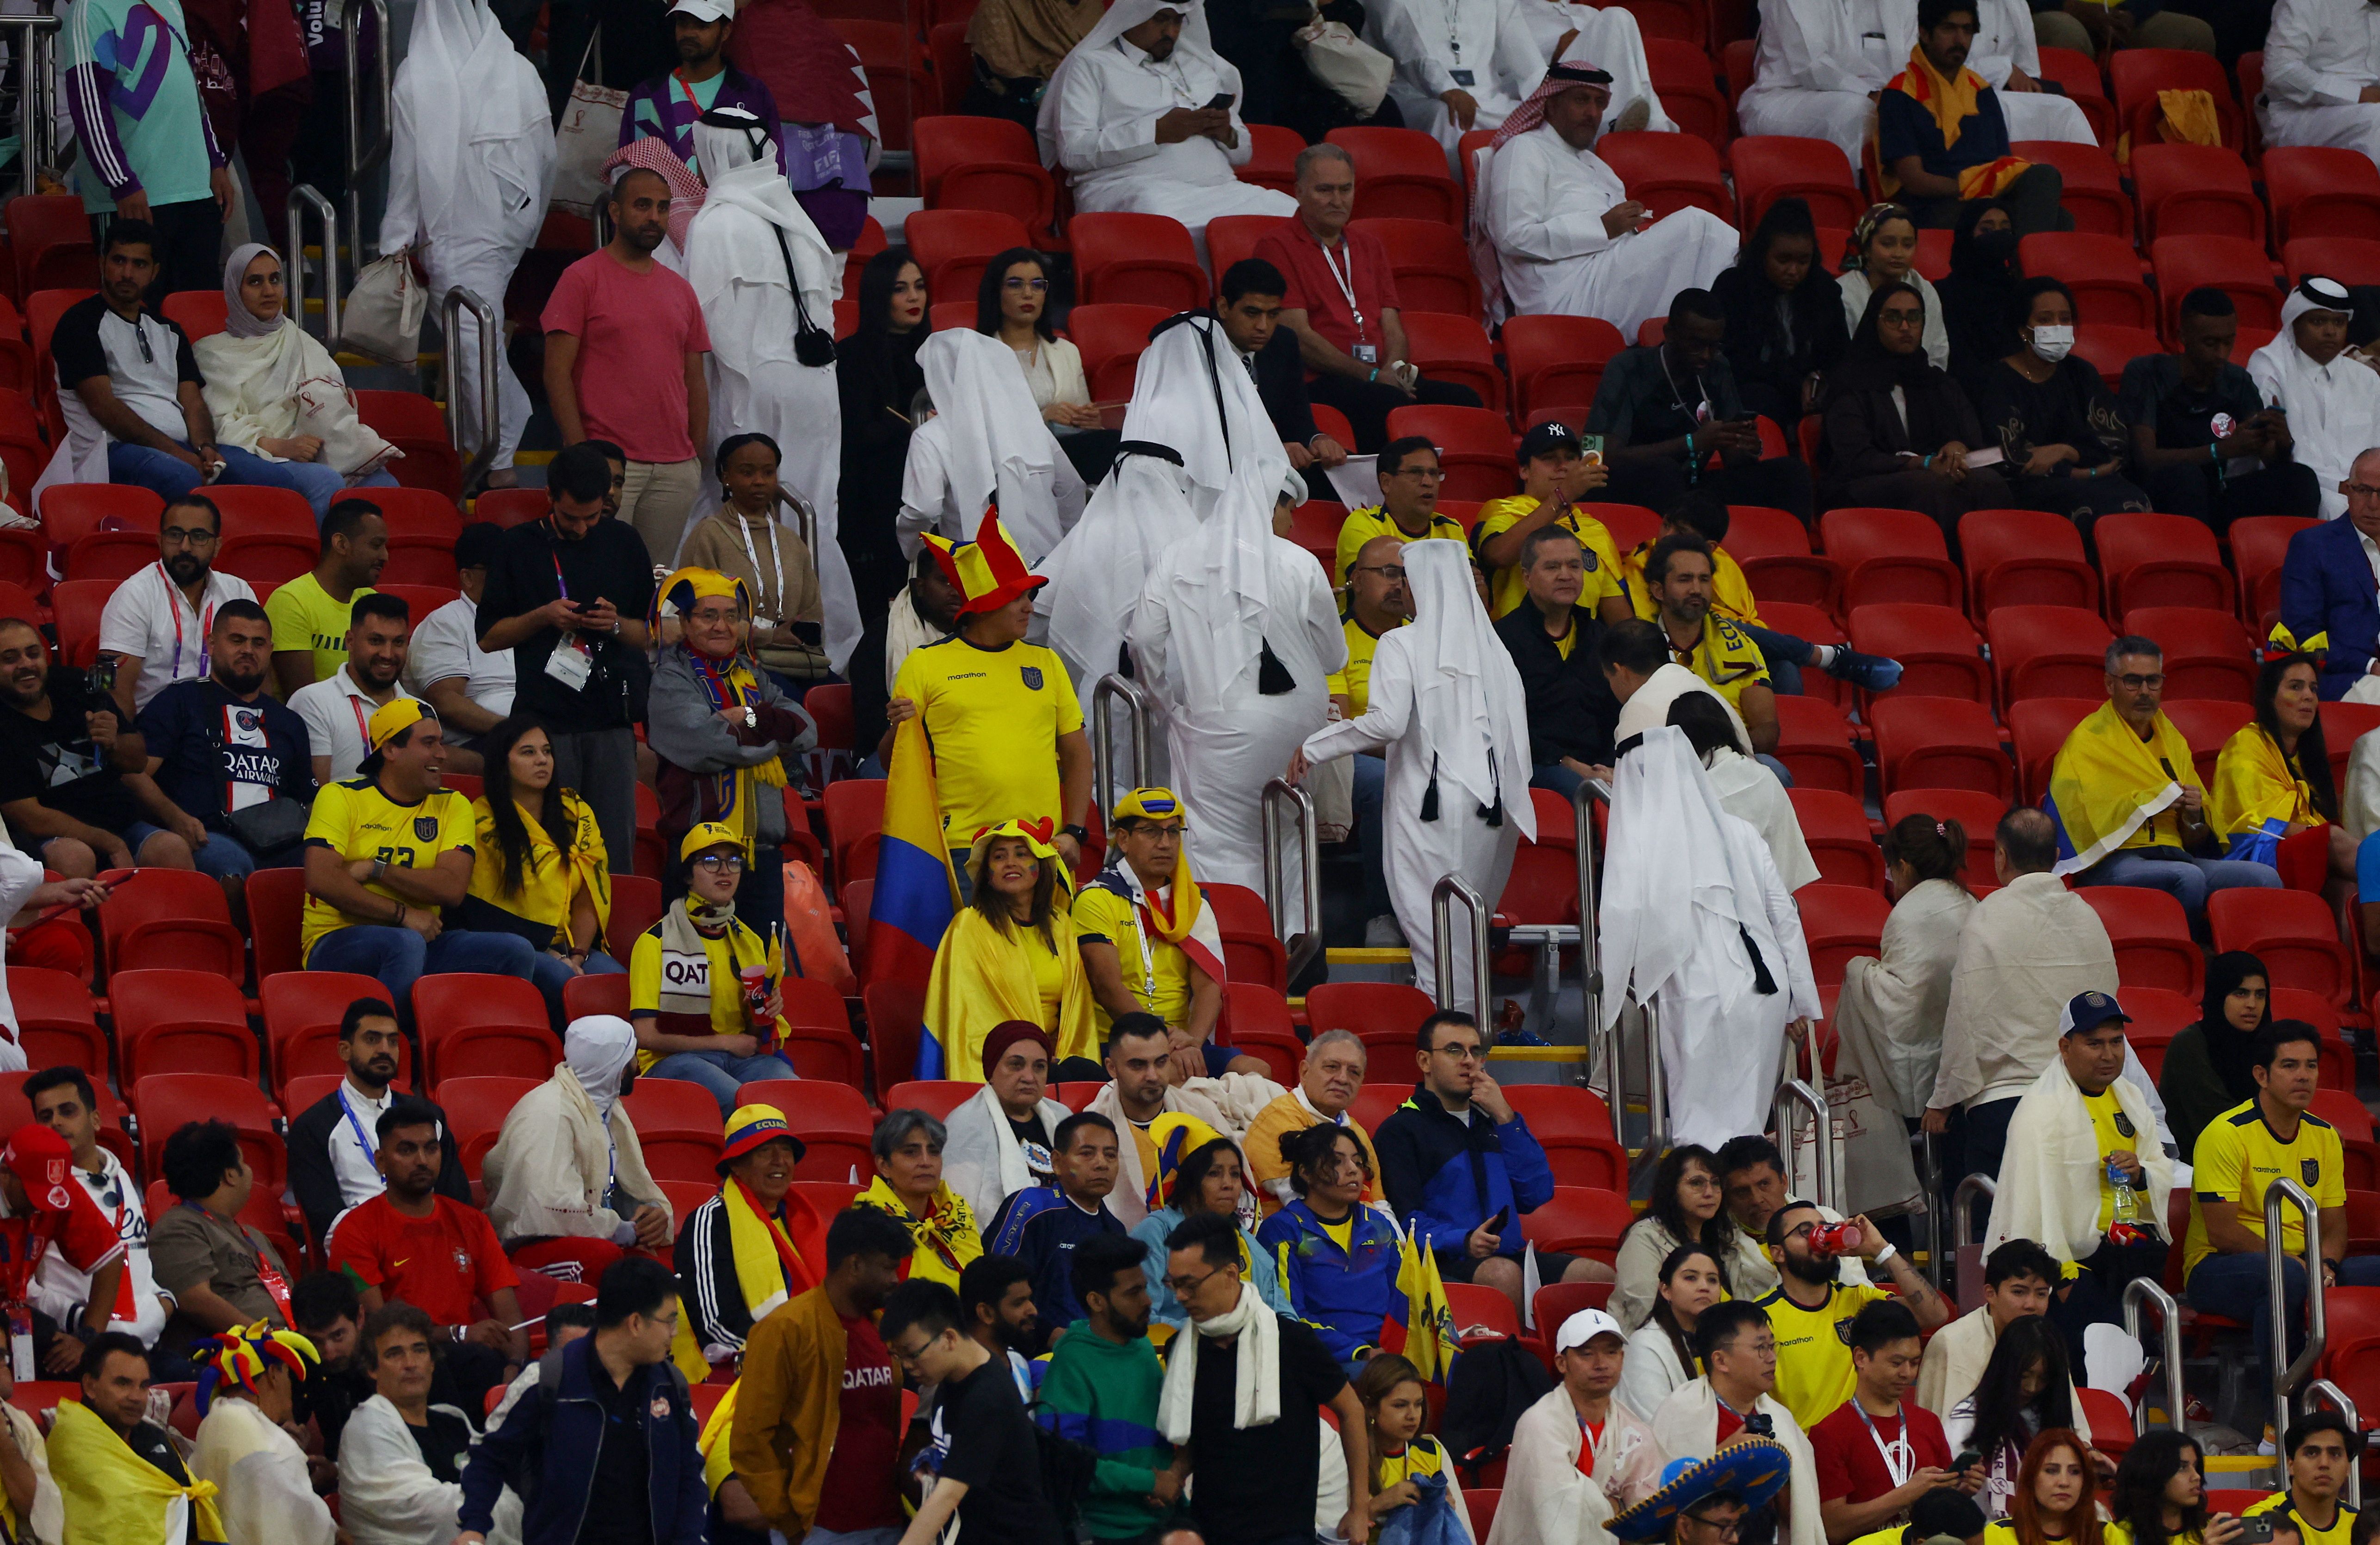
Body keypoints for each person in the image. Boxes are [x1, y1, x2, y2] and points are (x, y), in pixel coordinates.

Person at [1290, 541, 1528, 1008]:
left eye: (1407, 578)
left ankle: (1450, 1046)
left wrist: (1315, 746)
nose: (1402, 587)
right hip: (1491, 806)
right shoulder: (1493, 648)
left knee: (1431, 933)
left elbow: (1387, 723)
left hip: (1430, 804)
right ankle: (1464, 1041)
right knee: (1463, 934)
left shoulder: (1401, 641)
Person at [1134, 435, 1342, 924]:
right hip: (1298, 732)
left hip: (1217, 726)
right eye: (1290, 511)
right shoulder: (1300, 561)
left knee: (1216, 838)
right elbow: (1335, 656)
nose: (1292, 524)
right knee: (1286, 835)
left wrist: (1165, 703)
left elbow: (1143, 639)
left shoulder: (1178, 556)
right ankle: (1290, 950)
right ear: (1275, 507)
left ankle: (1230, 944)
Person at [1600, 724, 1820, 1152]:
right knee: (1748, 1126)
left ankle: (1705, 1215)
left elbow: (1623, 917)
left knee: (1697, 1127)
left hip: (1696, 986)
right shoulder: (1740, 829)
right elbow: (1785, 917)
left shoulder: (1642, 840)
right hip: (1766, 988)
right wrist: (1801, 999)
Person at [1926, 808, 2155, 1187]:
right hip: (2084, 1101)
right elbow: (2107, 1006)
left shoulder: (1987, 918)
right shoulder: (2087, 917)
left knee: (2005, 1235)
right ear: (2055, 856)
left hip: (2007, 1105)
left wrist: (1943, 1099)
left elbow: (1964, 1018)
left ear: (2001, 856)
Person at [380, 0, 550, 486]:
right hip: (494, 231)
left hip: (458, 235)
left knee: (474, 341)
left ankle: (497, 462)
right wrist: (525, 224)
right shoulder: (517, 70)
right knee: (475, 341)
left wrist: (395, 238)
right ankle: (494, 436)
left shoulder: (419, 74)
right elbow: (546, 159)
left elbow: (407, 168)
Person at [476, 441, 658, 875]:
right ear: (549, 498)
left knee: (614, 851)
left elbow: (653, 633)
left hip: (611, 718)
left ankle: (607, 939)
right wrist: (543, 616)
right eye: (570, 517)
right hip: (546, 721)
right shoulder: (518, 546)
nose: (580, 528)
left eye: (592, 517)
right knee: (549, 849)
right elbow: (488, 637)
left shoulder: (624, 541)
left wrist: (613, 624)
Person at [2184, 1021, 2380, 1403]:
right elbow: (2223, 1233)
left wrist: (2326, 1266)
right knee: (2285, 1277)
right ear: (2262, 1075)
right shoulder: (2225, 1134)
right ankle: (2283, 1417)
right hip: (2218, 1267)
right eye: (2290, 1066)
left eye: (2311, 1066)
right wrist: (2296, 1265)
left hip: (2303, 1264)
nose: (2304, 1076)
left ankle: (2365, 1401)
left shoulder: (2324, 1135)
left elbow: (2335, 1228)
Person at [298, 698, 540, 1004]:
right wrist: (403, 914)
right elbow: (321, 880)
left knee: (515, 951)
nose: (442, 754)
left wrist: (377, 869)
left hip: (421, 940)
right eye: (429, 743)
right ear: (390, 750)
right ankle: (394, 1043)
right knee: (405, 943)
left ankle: (493, 1044)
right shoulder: (341, 797)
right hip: (336, 941)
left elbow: (452, 889)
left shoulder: (453, 804)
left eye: (441, 742)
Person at [892, 513, 1092, 875]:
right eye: (1017, 598)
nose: (1029, 607)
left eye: (1029, 596)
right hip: (964, 850)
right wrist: (898, 727)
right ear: (982, 604)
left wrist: (1075, 832)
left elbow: (1077, 754)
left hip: (1041, 847)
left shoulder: (1046, 663)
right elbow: (895, 760)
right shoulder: (924, 664)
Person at [454, 1257, 707, 1545]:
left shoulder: (670, 1386)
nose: (674, 1332)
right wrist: (474, 1527)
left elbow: (691, 1474)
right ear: (636, 1323)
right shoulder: (547, 1379)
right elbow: (487, 1456)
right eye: (670, 1321)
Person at [1474, 62, 1739, 334]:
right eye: (1581, 100)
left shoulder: (1595, 164)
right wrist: (1602, 228)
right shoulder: (1524, 149)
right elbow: (1512, 235)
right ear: (1551, 103)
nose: (1593, 113)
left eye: (1600, 103)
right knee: (1698, 228)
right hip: (1564, 297)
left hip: (1606, 276)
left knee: (1698, 257)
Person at [1255, 144, 1488, 453]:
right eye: (1325, 190)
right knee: (1386, 401)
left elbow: (1392, 324)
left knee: (1465, 400)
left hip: (1376, 377)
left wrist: (1394, 372)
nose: (1337, 200)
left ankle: (1459, 494)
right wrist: (1375, 377)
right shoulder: (1277, 246)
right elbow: (1298, 338)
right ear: (1298, 192)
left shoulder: (1369, 245)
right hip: (1317, 382)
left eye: (1345, 189)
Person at [1160, 1209, 1372, 1545]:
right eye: (1173, 1284)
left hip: (1284, 1532)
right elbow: (1194, 1439)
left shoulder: (1291, 1342)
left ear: (1231, 1274)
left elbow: (1352, 1411)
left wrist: (1360, 1507)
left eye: (1190, 1285)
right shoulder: (1182, 1349)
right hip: (1211, 1528)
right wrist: (1175, 1473)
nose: (1180, 1297)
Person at [1373, 1009, 1603, 1308]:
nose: (1468, 1060)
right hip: (1442, 1260)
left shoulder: (1495, 1121)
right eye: (1455, 1050)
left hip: (1509, 1255)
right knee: (1502, 1275)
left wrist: (1506, 1117)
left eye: (1476, 1052)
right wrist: (1464, 1240)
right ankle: (1517, 1356)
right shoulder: (1401, 1129)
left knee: (1596, 1275)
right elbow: (1405, 1222)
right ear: (1425, 1062)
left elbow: (1536, 1194)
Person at [543, 169, 712, 563]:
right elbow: (556, 372)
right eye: (643, 205)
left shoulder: (680, 289)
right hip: (608, 464)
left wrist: (693, 457)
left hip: (675, 469)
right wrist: (581, 454)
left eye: (663, 207)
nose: (654, 216)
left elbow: (695, 381)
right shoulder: (581, 278)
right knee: (596, 577)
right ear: (615, 212)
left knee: (652, 590)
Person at [1037, 1, 1298, 254]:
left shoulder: (1201, 66)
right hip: (1131, 190)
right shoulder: (1091, 65)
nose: (1171, 32)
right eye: (1161, 19)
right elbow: (1074, 152)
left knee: (1292, 213)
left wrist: (1227, 134)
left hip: (1221, 190)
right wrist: (1156, 132)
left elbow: (1244, 154)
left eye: (1177, 21)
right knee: (1162, 219)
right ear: (1134, 15)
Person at [2053, 636, 2284, 916]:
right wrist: (2151, 801)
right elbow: (2079, 821)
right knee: (2187, 878)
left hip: (2176, 854)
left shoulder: (2172, 738)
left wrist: (2193, 816)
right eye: (2133, 681)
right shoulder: (2087, 741)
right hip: (2115, 862)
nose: (2145, 692)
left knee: (2264, 878)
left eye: (2154, 681)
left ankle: (2237, 959)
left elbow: (2196, 840)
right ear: (2110, 684)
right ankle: (2194, 956)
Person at [729, 1203, 914, 1543]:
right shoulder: (785, 1329)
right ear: (855, 1264)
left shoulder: (883, 1330)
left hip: (886, 1521)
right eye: (889, 1269)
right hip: (819, 1529)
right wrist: (789, 1524)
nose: (895, 1280)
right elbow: (750, 1440)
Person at [326, 1100, 525, 1410]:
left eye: (431, 1149)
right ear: (380, 1161)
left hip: (473, 1365)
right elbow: (380, 1330)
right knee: (470, 1362)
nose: (422, 1160)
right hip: (403, 1366)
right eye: (406, 1150)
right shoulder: (355, 1231)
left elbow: (511, 1320)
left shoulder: (472, 1222)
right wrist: (458, 1334)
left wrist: (514, 1370)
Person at [647, 570, 813, 943]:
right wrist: (771, 733)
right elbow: (708, 747)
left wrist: (745, 717)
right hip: (700, 857)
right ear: (686, 622)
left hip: (763, 856)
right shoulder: (671, 680)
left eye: (732, 616)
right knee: (700, 975)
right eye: (708, 616)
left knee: (763, 977)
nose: (721, 626)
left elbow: (806, 730)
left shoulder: (755, 674)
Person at [1831, 813, 1977, 1217]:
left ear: (1905, 867)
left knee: (1857, 970)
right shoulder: (1970, 902)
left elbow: (1903, 1004)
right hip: (1972, 1066)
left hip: (1934, 1073)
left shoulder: (1909, 912)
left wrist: (1859, 972)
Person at [193, 245, 402, 519]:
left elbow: (335, 403)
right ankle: (319, 562)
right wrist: (283, 447)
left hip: (320, 449)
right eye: (255, 281)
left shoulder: (303, 342)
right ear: (235, 290)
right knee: (324, 482)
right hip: (263, 455)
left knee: (385, 485)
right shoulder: (211, 353)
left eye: (275, 279)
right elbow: (219, 425)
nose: (268, 291)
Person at [0, 612, 202, 879]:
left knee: (171, 849)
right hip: (54, 837)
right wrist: (109, 842)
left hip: (121, 821)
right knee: (75, 858)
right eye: (10, 659)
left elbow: (136, 762)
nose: (26, 665)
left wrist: (115, 743)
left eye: (32, 654)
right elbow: (28, 817)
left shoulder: (74, 684)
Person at [131, 599, 313, 894]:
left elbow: (308, 798)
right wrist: (174, 817)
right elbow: (134, 773)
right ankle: (239, 942)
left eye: (259, 643)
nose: (248, 651)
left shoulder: (289, 721)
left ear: (270, 650)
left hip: (278, 839)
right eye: (237, 640)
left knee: (322, 868)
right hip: (206, 835)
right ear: (212, 644)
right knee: (230, 865)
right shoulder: (179, 701)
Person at [1588, 289, 1816, 519]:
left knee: (1792, 474)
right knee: (1665, 472)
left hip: (1691, 486)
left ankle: (1792, 551)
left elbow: (1734, 462)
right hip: (1633, 488)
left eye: (1714, 346)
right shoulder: (1627, 368)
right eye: (1696, 345)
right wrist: (1691, 443)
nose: (1706, 356)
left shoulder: (1717, 368)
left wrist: (1745, 446)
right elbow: (1596, 456)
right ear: (1670, 334)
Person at [626, 813, 799, 1114]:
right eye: (710, 861)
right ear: (688, 875)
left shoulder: (749, 940)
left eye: (733, 862)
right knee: (749, 1109)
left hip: (741, 1060)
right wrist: (724, 1043)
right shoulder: (655, 942)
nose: (725, 871)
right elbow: (646, 1035)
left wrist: (766, 1010)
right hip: (672, 1062)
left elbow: (755, 1037)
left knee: (793, 1099)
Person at [60, 0, 231, 297]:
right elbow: (88, 105)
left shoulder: (170, 3)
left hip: (196, 190)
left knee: (199, 312)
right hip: (136, 196)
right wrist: (122, 183)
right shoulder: (89, 8)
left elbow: (191, 92)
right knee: (133, 312)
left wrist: (215, 162)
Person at [879, 1278, 1068, 1545]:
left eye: (912, 1354)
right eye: (897, 1356)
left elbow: (947, 1497)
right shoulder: (953, 1377)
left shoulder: (986, 1397)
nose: (907, 1366)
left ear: (948, 1338)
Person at [462, 715, 625, 1022]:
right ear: (501, 762)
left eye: (547, 751)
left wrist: (577, 955)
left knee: (616, 984)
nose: (542, 761)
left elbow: (589, 894)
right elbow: (484, 913)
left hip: (574, 945)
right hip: (519, 947)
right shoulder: (482, 821)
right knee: (567, 984)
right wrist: (553, 955)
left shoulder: (576, 813)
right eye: (528, 752)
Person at [481, 1016, 674, 1269]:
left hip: (591, 1235)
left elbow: (620, 1185)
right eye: (632, 1057)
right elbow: (549, 1208)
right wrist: (622, 1229)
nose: (638, 1067)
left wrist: (650, 1214)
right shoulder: (549, 1112)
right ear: (615, 1065)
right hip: (530, 1245)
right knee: (609, 1259)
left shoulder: (607, 1107)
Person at [1821, 282, 2013, 534]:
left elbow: (1970, 439)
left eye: (1914, 317)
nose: (1905, 327)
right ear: (1874, 322)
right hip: (1863, 483)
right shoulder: (1850, 383)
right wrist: (1922, 464)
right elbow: (1857, 459)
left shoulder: (1938, 381)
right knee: (1933, 486)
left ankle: (1988, 568)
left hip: (1930, 475)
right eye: (1893, 318)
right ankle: (1939, 567)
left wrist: (1957, 448)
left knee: (1989, 483)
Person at [2124, 289, 2318, 534]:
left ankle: (2295, 562)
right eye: (2210, 343)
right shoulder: (2147, 373)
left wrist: (2280, 442)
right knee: (2187, 477)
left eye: (2229, 342)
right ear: (2182, 336)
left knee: (2301, 479)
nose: (2221, 353)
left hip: (2219, 492)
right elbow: (2146, 458)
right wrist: (2218, 451)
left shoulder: (2237, 380)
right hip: (2163, 493)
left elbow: (2268, 458)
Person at [285, 999, 472, 1248]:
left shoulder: (429, 1117)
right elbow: (328, 1223)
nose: (385, 1049)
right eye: (372, 1040)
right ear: (345, 1050)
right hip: (366, 1254)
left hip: (437, 1246)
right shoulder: (314, 1126)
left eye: (393, 1041)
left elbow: (458, 1204)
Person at [840, 248, 933, 752]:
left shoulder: (936, 352)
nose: (914, 297)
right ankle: (876, 743)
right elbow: (858, 434)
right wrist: (919, 433)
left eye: (919, 286)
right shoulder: (853, 355)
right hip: (873, 509)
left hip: (930, 510)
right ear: (879, 296)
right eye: (900, 288)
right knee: (882, 629)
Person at [921, 819, 1100, 1079]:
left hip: (1057, 1059)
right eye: (999, 857)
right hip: (1001, 1063)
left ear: (1041, 865)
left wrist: (1058, 1052)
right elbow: (970, 1017)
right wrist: (1034, 1053)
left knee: (1093, 1078)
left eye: (1021, 854)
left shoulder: (1060, 923)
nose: (1011, 863)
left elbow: (1077, 1008)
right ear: (988, 874)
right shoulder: (969, 925)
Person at [1877, 0, 2072, 236]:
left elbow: (2002, 161)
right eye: (1949, 29)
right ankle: (2021, 266)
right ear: (1925, 34)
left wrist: (1989, 189)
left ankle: (2018, 263)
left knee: (2058, 208)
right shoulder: (1899, 95)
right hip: (1935, 208)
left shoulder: (1982, 91)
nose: (1960, 40)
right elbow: (1915, 181)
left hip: (1985, 199)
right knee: (2039, 209)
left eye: (1967, 30)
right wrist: (1971, 186)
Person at [1970, 278, 2150, 531]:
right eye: (2045, 320)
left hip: (2092, 479)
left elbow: (2115, 444)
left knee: (2134, 501)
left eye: (2065, 320)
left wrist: (2066, 451)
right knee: (2091, 507)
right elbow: (2012, 458)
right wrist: (2081, 470)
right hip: (2030, 488)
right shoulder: (1997, 381)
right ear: (2023, 330)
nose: (2057, 327)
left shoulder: (2081, 373)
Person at [1757, 1199, 1951, 1433]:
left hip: (1866, 1450)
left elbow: (1935, 1315)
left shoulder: (1859, 1299)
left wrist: (1880, 1249)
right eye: (1806, 1232)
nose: (1820, 1238)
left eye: (1824, 1228)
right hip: (1804, 1456)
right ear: (1778, 1253)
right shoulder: (1759, 1318)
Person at [898, 328, 1085, 569]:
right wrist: (1066, 550)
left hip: (979, 578)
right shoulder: (1031, 426)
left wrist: (911, 551)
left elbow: (924, 509)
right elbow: (1072, 488)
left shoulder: (930, 437)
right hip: (1049, 569)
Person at [1651, 1300, 1826, 1545]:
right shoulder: (1681, 1413)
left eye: (1773, 1346)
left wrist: (1777, 1474)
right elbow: (1663, 1512)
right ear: (1721, 1361)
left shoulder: (1781, 1419)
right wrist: (1721, 1458)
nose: (1772, 1358)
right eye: (1761, 1348)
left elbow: (1798, 1518)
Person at [23, 1069, 168, 1353]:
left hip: (149, 1342)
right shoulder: (35, 1191)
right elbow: (24, 1288)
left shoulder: (121, 1176)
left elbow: (139, 1258)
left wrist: (163, 1304)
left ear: (96, 1120)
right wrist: (82, 1325)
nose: (56, 1123)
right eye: (46, 1117)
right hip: (84, 1345)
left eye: (67, 1111)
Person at [1075, 787, 1228, 1054]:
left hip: (1180, 1045)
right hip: (1114, 1045)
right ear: (1123, 840)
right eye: (1152, 832)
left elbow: (1209, 986)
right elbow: (1106, 985)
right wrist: (1161, 1040)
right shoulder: (1096, 898)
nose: (1165, 844)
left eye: (1173, 832)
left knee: (1255, 1070)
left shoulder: (1192, 904)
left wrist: (1193, 1044)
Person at [670, 1102, 819, 1374]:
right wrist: (788, 1355)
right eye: (765, 1151)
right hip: (737, 1368)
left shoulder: (804, 1219)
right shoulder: (711, 1220)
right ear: (736, 1165)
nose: (780, 1161)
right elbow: (716, 1323)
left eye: (786, 1150)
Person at [674, 436, 830, 692]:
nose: (759, 481)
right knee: (789, 706)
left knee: (842, 700)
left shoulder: (791, 541)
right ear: (726, 477)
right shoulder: (708, 535)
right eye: (747, 472)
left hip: (797, 662)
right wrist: (767, 636)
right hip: (729, 663)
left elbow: (813, 615)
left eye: (768, 472)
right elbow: (698, 618)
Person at [1810, 1300, 1965, 1543]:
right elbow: (1833, 1527)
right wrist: (1906, 1495)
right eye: (1896, 1363)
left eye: (1914, 1362)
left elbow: (1944, 1507)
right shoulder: (1829, 1433)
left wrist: (1961, 1488)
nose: (1907, 1373)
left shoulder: (1928, 1423)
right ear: (1861, 1357)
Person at [2212, 642, 2355, 897]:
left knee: (2349, 891)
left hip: (2302, 850)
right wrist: (2317, 835)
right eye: (2295, 687)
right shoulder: (2245, 744)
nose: (2309, 696)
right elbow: (2252, 823)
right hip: (2255, 851)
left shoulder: (2310, 758)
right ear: (2270, 696)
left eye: (2313, 688)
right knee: (2333, 838)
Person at [96, 493, 259, 718]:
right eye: (175, 535)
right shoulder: (134, 595)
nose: (185, 547)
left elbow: (257, 673)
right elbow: (117, 693)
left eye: (199, 536)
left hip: (226, 722)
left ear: (217, 546)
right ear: (160, 540)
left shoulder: (238, 592)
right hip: (156, 726)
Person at [1332, 531, 1419, 940]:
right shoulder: (1335, 641)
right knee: (1385, 784)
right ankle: (1383, 915)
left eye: (1407, 574)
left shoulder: (1424, 639)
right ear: (1356, 580)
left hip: (1417, 754)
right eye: (1388, 573)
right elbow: (1344, 729)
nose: (1399, 583)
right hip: (1356, 759)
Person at [50, 1333, 218, 1545]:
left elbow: (189, 1508)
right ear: (90, 1387)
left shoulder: (152, 1437)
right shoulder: (73, 1441)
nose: (136, 1397)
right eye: (123, 1384)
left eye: (143, 1386)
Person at [145, 1119, 290, 1363]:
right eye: (243, 1162)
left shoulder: (256, 1237)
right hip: (234, 1361)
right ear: (231, 1174)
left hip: (284, 1348)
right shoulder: (178, 1227)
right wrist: (268, 1340)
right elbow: (194, 1300)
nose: (249, 1170)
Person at [1256, 1123, 1401, 1366]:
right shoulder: (1284, 1230)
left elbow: (1406, 1296)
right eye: (1338, 1161)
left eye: (1357, 1161)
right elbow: (1289, 1315)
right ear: (1306, 1172)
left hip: (1387, 1354)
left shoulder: (1378, 1225)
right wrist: (1358, 1352)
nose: (1353, 1170)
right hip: (1322, 1360)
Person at [335, 1302, 474, 1545]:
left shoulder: (453, 1421)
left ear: (432, 1362)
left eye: (419, 1350)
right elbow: (430, 1514)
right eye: (394, 1354)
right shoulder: (366, 1428)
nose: (410, 1363)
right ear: (372, 1369)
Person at [189, 1322, 334, 1545]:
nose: (291, 1385)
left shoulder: (211, 1424)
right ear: (273, 1374)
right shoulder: (274, 1446)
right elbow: (307, 1528)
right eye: (287, 1373)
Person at [1713, 196, 1850, 432]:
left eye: (1803, 261)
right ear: (1763, 254)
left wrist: (1820, 380)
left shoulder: (1825, 290)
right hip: (1753, 390)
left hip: (1809, 391)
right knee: (1761, 399)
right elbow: (1730, 361)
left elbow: (1840, 355)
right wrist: (1796, 384)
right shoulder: (1733, 287)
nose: (1793, 271)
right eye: (1783, 260)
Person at [1084, 1015, 1234, 1230]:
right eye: (1138, 1065)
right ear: (1112, 1068)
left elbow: (1237, 1194)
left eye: (1161, 1062)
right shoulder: (1092, 1129)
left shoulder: (1201, 1111)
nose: (1153, 1076)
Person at [987, 1111, 1131, 1333]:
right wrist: (1050, 1336)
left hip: (1094, 1349)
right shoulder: (1033, 1207)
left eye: (1110, 1155)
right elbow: (996, 1290)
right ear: (1057, 1163)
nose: (1102, 1164)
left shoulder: (1115, 1230)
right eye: (1087, 1154)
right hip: (1035, 1350)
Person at [981, 246, 1115, 483]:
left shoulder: (1067, 352)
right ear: (996, 292)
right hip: (1010, 460)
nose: (1028, 294)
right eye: (1015, 284)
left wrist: (1090, 422)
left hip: (1067, 454)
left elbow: (1080, 417)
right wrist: (1043, 417)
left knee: (1120, 445)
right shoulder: (980, 353)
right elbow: (981, 426)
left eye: (1037, 285)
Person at [2251, 278, 2380, 522]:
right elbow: (2275, 460)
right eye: (2318, 321)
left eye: (2339, 323)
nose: (2331, 332)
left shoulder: (2367, 379)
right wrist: (2341, 485)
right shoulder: (2271, 368)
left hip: (2367, 490)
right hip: (2308, 491)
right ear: (2295, 324)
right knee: (2336, 506)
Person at [1642, 536, 1782, 757]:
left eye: (1704, 579)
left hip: (1735, 758)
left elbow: (1767, 728)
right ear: (1659, 591)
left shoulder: (1741, 646)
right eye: (1685, 580)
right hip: (1666, 762)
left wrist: (1724, 755)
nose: (1697, 589)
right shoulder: (1639, 648)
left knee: (1774, 770)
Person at [1211, 259, 1347, 481]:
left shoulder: (1283, 343)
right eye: (1252, 313)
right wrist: (1271, 450)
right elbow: (1199, 433)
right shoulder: (1196, 345)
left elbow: (1296, 418)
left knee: (1340, 470)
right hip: (1214, 471)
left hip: (1266, 468)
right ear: (1224, 308)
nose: (1263, 326)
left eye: (1273, 314)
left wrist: (1317, 439)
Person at [1136, 1129, 1286, 1327]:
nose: (1228, 1184)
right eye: (1214, 1174)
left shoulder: (1247, 1243)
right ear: (1190, 1182)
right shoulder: (1156, 1232)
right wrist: (1222, 1330)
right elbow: (1140, 1317)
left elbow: (1281, 1313)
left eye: (1235, 1174)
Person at [1914, 1238, 2071, 1421]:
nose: (2031, 1305)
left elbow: (2070, 1425)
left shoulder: (2046, 1342)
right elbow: (1950, 1434)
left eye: (2041, 1294)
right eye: (2019, 1292)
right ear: (1990, 1294)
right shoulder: (1951, 1343)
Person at [620, 0, 781, 173]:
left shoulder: (753, 94)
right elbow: (626, 171)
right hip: (664, 200)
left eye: (702, 25)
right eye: (682, 23)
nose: (689, 33)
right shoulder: (645, 96)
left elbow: (776, 167)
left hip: (734, 200)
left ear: (726, 32)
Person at [1944, 1318, 2081, 1519]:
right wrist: (1961, 1492)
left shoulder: (2048, 1415)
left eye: (2043, 1379)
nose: (2032, 1387)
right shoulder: (1966, 1422)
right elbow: (1941, 1503)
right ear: (2005, 1369)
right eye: (2024, 1376)